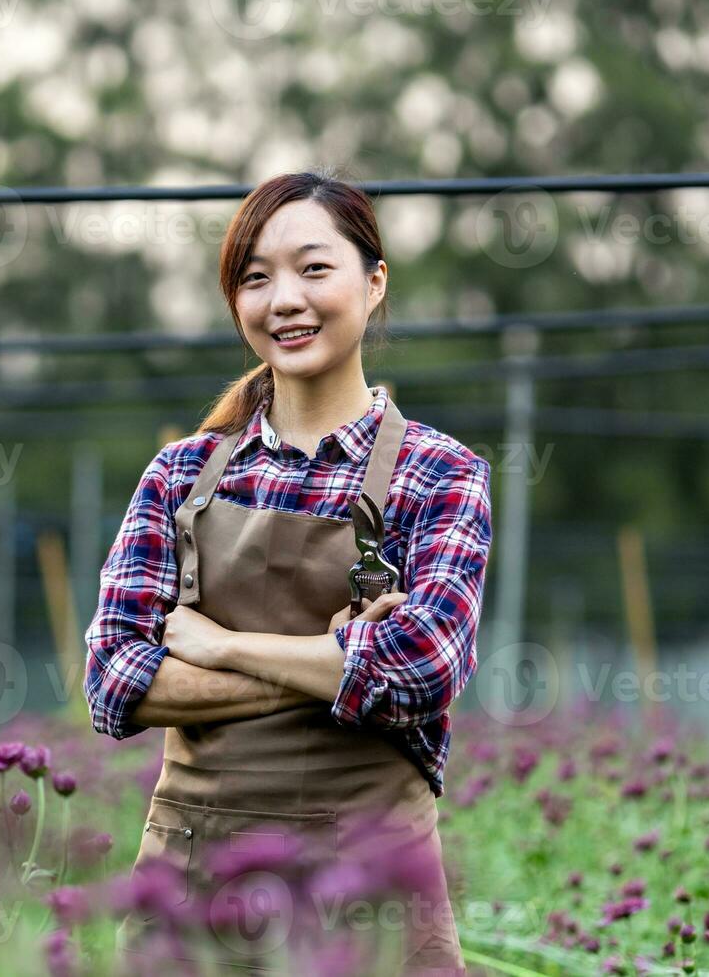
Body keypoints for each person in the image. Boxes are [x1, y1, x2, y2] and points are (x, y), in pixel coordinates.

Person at [83, 168, 493, 975]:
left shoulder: (439, 473)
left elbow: (420, 670)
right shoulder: (181, 474)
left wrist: (221, 646)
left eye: (314, 269)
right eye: (255, 278)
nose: (285, 300)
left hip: (372, 879)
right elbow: (113, 680)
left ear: (373, 284)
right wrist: (335, 661)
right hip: (196, 880)